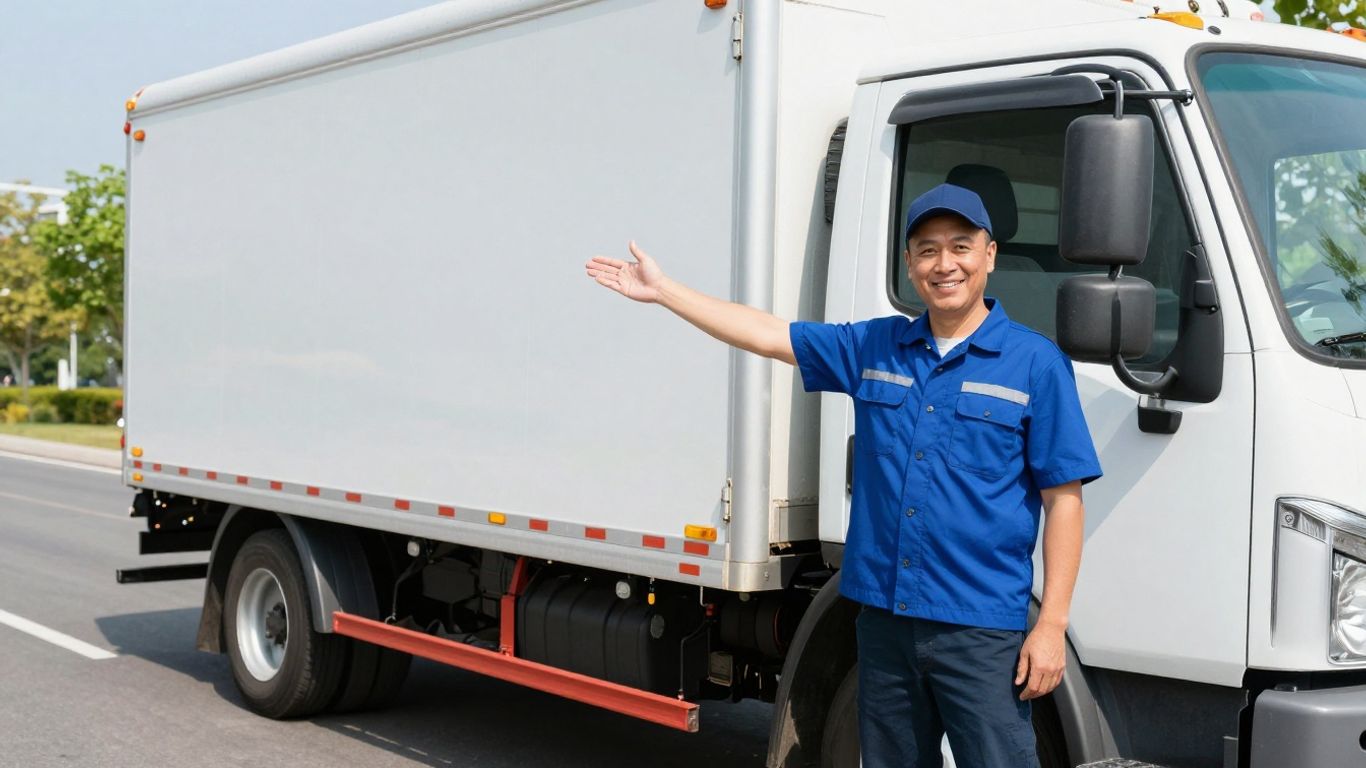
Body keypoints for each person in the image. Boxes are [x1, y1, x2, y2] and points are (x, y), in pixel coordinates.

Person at [584, 183, 1101, 768]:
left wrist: (1051, 625)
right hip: (884, 622)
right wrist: (664, 291)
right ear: (909, 264)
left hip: (979, 630)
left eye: (961, 246)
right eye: (927, 250)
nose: (944, 264)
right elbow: (769, 334)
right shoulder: (876, 346)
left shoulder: (1035, 365)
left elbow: (1064, 501)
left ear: (990, 255)